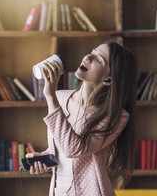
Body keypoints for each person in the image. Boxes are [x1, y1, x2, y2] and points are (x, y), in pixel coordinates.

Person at [26, 40, 137, 196]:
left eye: (99, 59)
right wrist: (44, 158)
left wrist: (50, 96)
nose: (88, 58)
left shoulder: (116, 116)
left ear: (108, 79)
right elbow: (61, 149)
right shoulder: (61, 98)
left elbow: (74, 149)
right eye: (92, 51)